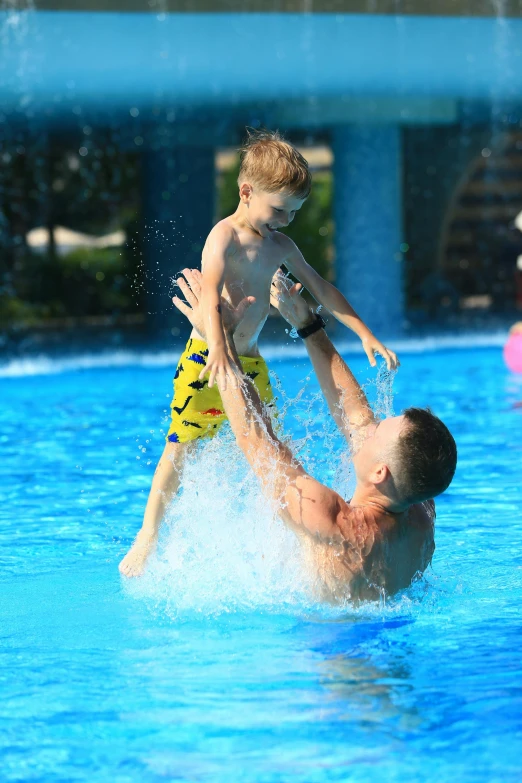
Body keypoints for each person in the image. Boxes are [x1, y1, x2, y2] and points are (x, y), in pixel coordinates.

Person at [119, 129, 398, 577]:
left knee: (267, 447)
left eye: (294, 212)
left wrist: (364, 333)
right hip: (207, 357)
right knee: (181, 448)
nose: (287, 220)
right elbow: (208, 293)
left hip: (250, 361)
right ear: (246, 191)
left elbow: (321, 289)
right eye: (280, 209)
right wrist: (219, 351)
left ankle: (283, 534)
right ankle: (150, 532)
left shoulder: (280, 246)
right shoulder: (223, 237)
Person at [170, 269, 457, 602]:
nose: (371, 423)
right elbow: (356, 416)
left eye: (379, 429)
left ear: (381, 473)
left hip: (328, 648)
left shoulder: (335, 523)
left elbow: (257, 441)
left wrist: (221, 343)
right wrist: (307, 324)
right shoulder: (421, 511)